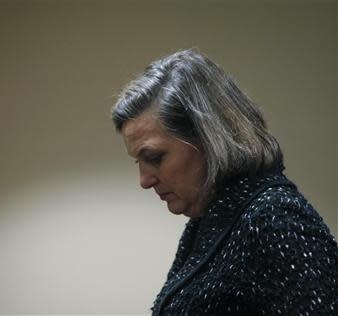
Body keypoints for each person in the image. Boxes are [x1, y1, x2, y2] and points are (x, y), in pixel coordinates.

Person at [111, 49, 338, 315]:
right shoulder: (211, 217)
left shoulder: (275, 217)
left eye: (155, 157)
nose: (144, 180)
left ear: (209, 140)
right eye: (139, 162)